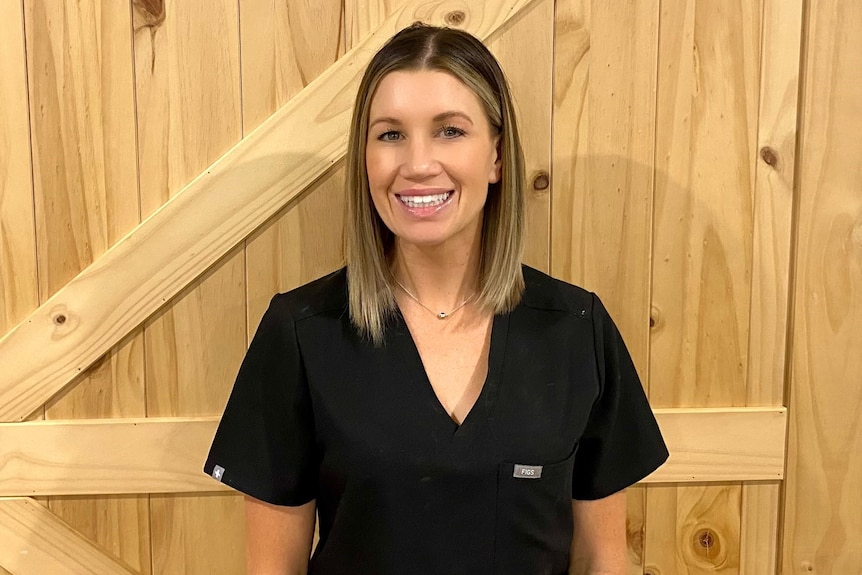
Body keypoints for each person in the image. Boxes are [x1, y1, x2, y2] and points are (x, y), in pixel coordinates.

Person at [204, 23, 668, 575]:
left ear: (496, 156)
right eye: (391, 134)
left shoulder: (576, 329)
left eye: (450, 131)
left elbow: (602, 561)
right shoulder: (303, 333)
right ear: (366, 158)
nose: (419, 163)